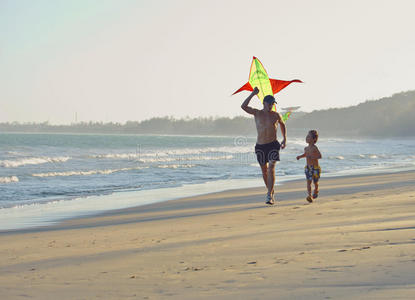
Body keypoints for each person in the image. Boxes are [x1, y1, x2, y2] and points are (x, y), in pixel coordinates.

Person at [241, 87, 286, 205]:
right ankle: (270, 191)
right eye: (269, 103)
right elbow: (243, 107)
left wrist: (284, 139)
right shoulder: (257, 113)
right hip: (260, 146)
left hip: (273, 145)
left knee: (271, 168)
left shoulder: (276, 115)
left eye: (273, 103)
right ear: (264, 103)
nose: (271, 105)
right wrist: (252, 94)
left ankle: (268, 195)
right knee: (264, 171)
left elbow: (282, 124)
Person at [296, 130, 322, 203]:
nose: (306, 138)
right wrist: (300, 157)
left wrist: (313, 157)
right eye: (307, 136)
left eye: (309, 137)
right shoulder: (306, 148)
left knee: (315, 182)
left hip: (315, 168)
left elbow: (320, 156)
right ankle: (309, 196)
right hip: (308, 168)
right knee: (308, 182)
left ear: (314, 139)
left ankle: (316, 190)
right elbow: (306, 154)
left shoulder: (314, 148)